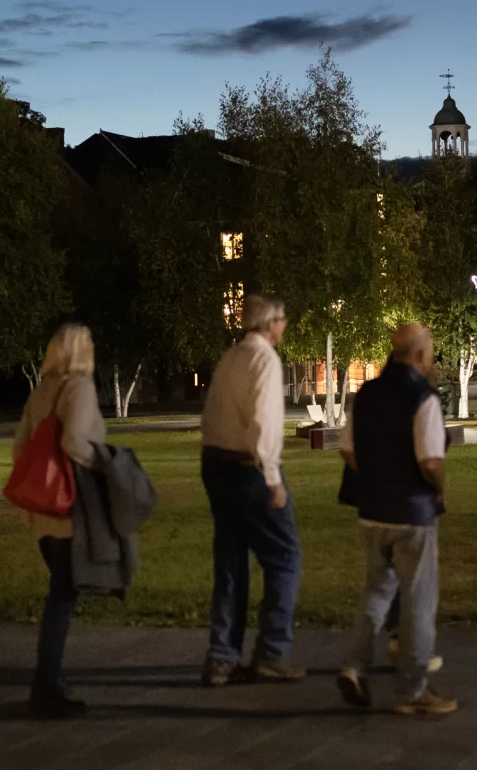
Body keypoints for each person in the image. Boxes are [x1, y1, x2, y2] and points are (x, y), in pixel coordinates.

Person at [336, 323, 458, 717]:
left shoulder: (365, 395)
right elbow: (430, 460)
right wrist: (438, 489)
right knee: (418, 601)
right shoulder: (422, 398)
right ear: (420, 355)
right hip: (413, 514)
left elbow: (348, 452)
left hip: (373, 512)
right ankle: (412, 689)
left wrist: (376, 480)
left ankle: (354, 667)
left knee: (376, 591)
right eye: (431, 354)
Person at [200, 292, 304, 686]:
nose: (285, 325)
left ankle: (222, 657)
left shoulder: (230, 358)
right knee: (285, 556)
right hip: (248, 469)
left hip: (216, 464)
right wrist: (273, 480)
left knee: (230, 561)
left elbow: (212, 414)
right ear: (269, 323)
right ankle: (273, 652)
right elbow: (263, 426)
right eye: (283, 318)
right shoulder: (265, 361)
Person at [11, 323, 107, 719]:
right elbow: (75, 444)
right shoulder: (79, 388)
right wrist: (105, 463)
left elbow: (20, 446)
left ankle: (49, 681)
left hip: (41, 511)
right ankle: (46, 683)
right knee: (63, 595)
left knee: (61, 590)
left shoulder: (42, 391)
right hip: (68, 509)